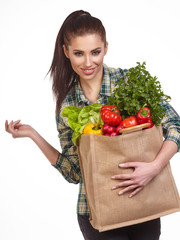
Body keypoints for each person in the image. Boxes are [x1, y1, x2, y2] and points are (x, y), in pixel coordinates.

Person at [5, 10, 180, 240]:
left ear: (106, 48)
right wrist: (33, 134)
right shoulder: (67, 104)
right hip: (96, 213)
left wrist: (154, 167)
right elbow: (75, 173)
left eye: (95, 52)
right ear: (66, 51)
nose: (88, 62)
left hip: (144, 204)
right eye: (79, 53)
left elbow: (174, 124)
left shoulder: (130, 81)